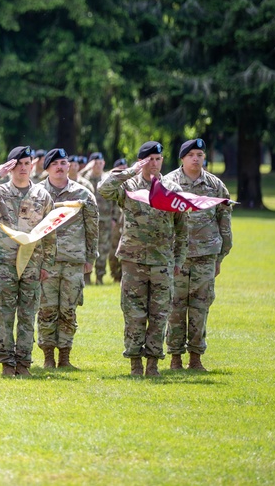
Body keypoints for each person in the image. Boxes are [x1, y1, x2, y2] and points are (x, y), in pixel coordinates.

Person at [99, 141, 188, 377]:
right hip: (133, 261)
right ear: (142, 161)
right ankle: (135, 362)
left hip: (162, 262)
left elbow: (182, 229)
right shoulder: (128, 186)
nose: (155, 164)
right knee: (134, 313)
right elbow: (104, 189)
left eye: (158, 159)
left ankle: (153, 363)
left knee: (159, 314)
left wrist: (178, 260)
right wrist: (129, 171)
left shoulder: (171, 189)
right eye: (150, 159)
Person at [0, 145, 56, 377]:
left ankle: (23, 363)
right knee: (3, 314)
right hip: (5, 262)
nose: (23, 168)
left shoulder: (42, 195)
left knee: (27, 314)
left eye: (27, 163)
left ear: (32, 165)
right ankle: (6, 362)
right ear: (10, 166)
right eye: (18, 164)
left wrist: (47, 264)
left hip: (32, 264)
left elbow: (50, 232)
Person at [163, 138, 232, 371]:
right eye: (191, 154)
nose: (196, 158)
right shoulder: (168, 183)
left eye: (200, 154)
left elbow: (225, 221)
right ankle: (174, 358)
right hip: (176, 258)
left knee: (200, 308)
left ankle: (195, 357)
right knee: (175, 307)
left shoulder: (215, 185)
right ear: (182, 158)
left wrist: (220, 257)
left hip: (205, 256)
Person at [37, 148, 98, 369]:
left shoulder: (83, 194)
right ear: (47, 168)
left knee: (68, 310)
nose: (60, 167)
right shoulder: (37, 193)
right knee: (47, 309)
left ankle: (64, 357)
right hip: (46, 262)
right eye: (55, 164)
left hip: (74, 261)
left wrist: (91, 257)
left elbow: (92, 228)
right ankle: (47, 358)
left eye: (64, 162)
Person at [79, 152, 113, 284]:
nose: (98, 166)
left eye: (100, 163)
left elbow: (113, 200)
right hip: (88, 220)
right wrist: (86, 168)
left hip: (105, 219)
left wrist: (115, 218)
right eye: (95, 163)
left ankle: (100, 276)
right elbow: (74, 178)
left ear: (103, 163)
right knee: (87, 247)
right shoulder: (85, 178)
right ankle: (87, 276)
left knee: (103, 249)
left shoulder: (107, 179)